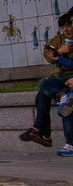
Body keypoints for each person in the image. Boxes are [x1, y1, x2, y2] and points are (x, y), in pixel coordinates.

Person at [19, 11, 73, 152]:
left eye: (69, 25)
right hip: (59, 79)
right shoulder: (58, 40)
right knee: (45, 87)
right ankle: (61, 97)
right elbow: (49, 55)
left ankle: (42, 132)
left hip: (69, 78)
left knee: (48, 91)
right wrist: (61, 51)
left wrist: (60, 58)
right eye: (63, 27)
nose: (66, 29)